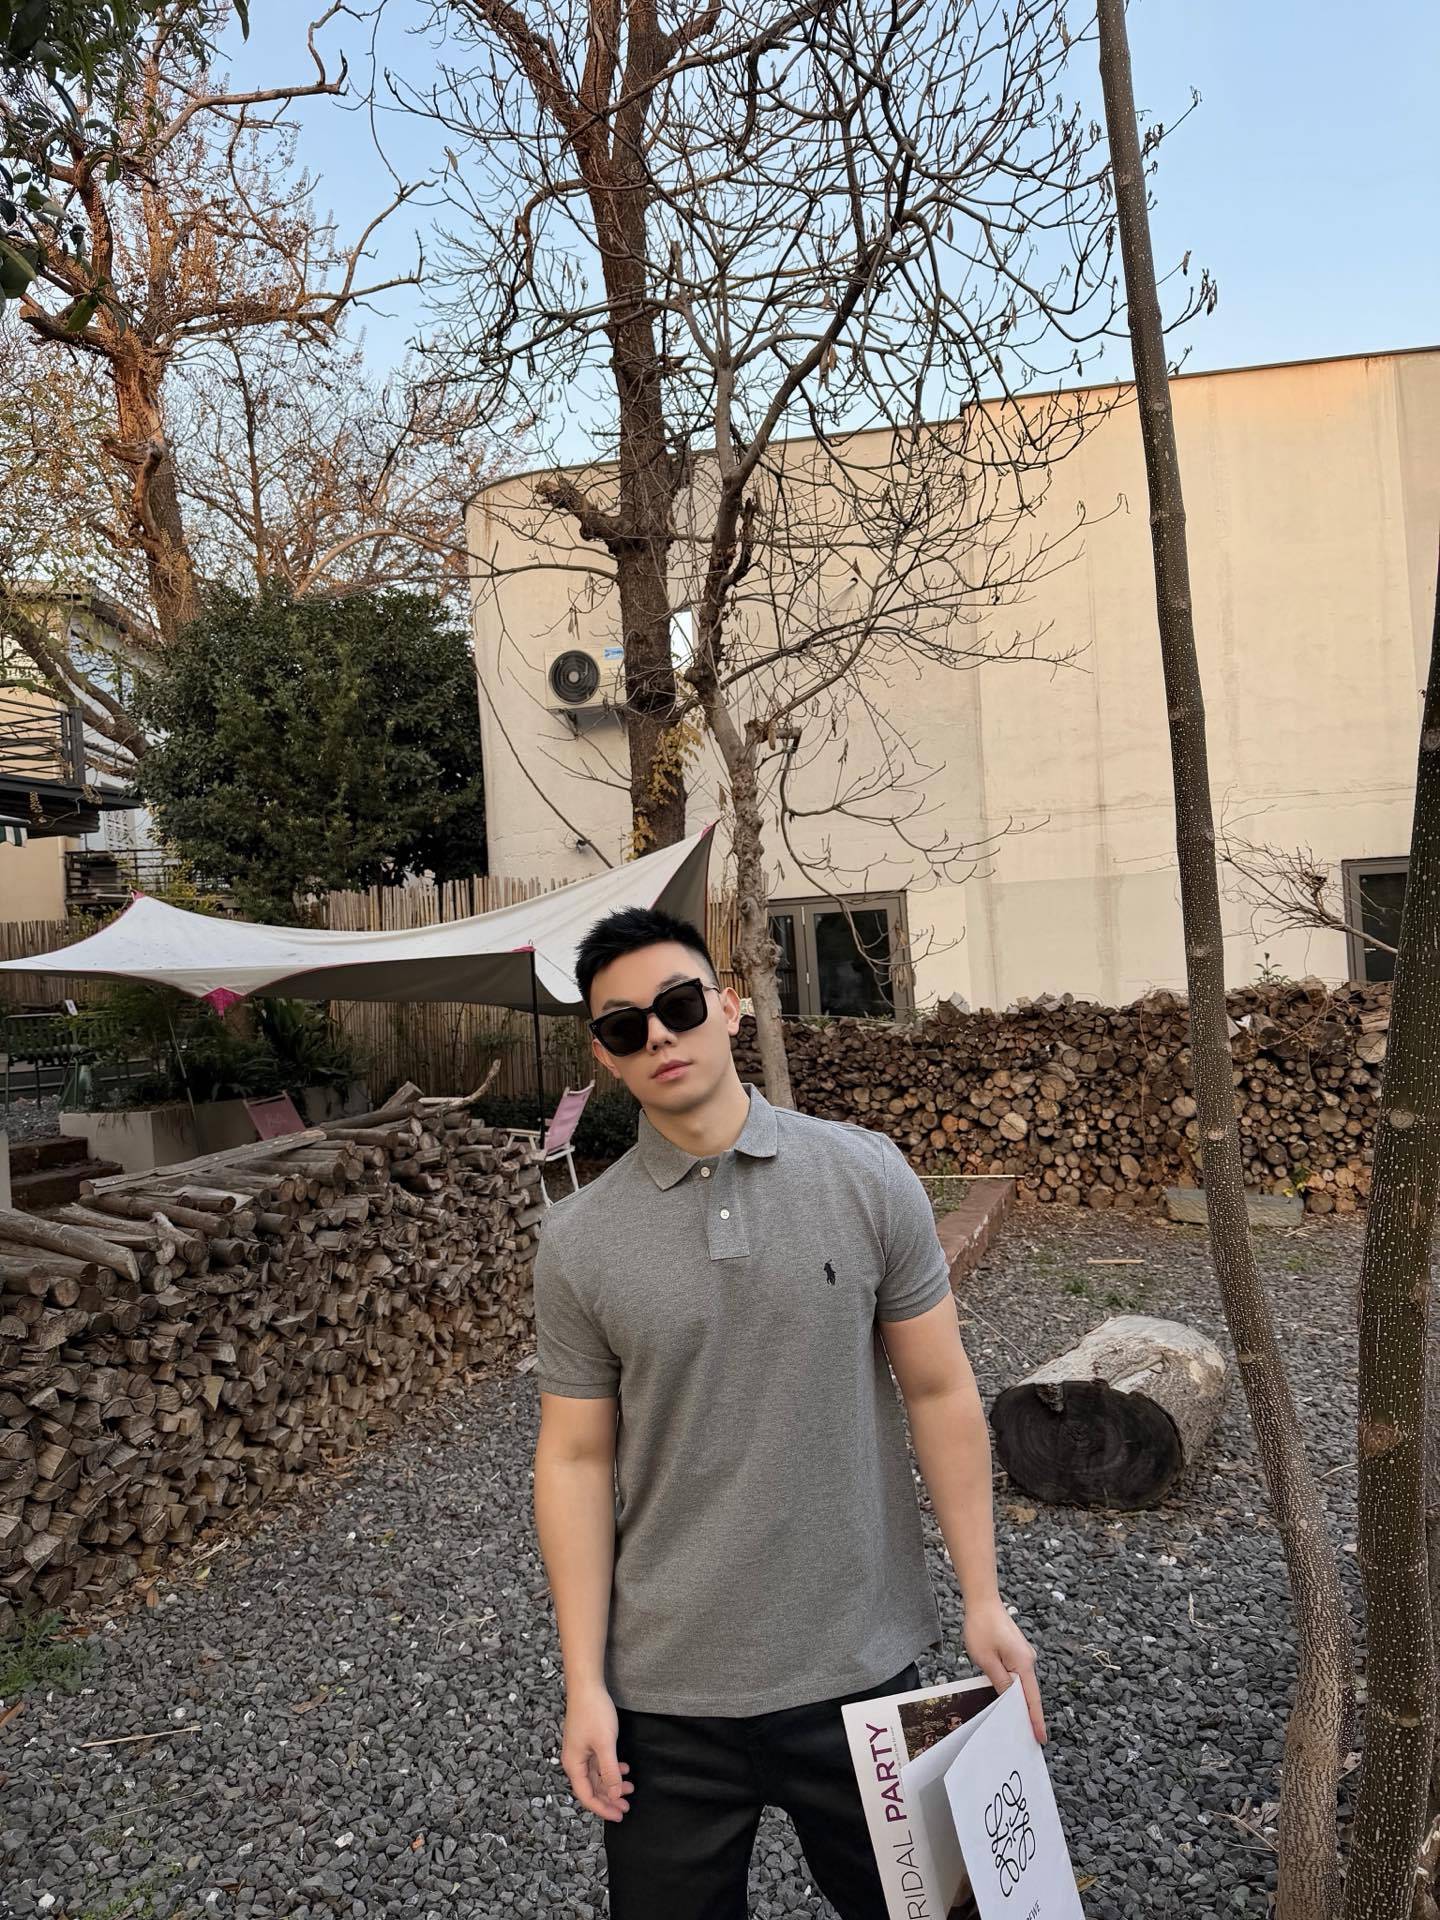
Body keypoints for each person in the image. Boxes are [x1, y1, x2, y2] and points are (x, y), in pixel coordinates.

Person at [531, 905, 1044, 1920]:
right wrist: (583, 1682)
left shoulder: (866, 1175)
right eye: (626, 1026)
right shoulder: (578, 1242)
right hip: (664, 1696)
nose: (659, 1035)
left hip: (862, 1663)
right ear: (605, 1055)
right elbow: (575, 1460)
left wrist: (984, 1598)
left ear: (728, 1006)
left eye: (679, 1005)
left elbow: (940, 1390)